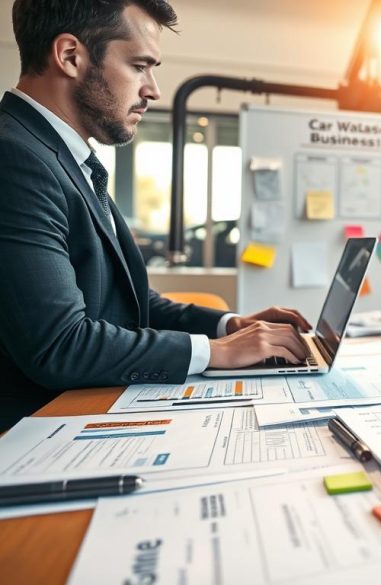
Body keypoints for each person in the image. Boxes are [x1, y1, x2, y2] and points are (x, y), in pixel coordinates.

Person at [0, 0, 310, 430]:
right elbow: (60, 344)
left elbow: (126, 303)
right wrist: (215, 354)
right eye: (140, 66)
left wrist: (228, 325)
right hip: (30, 439)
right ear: (70, 56)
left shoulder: (65, 158)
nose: (153, 90)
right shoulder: (15, 156)